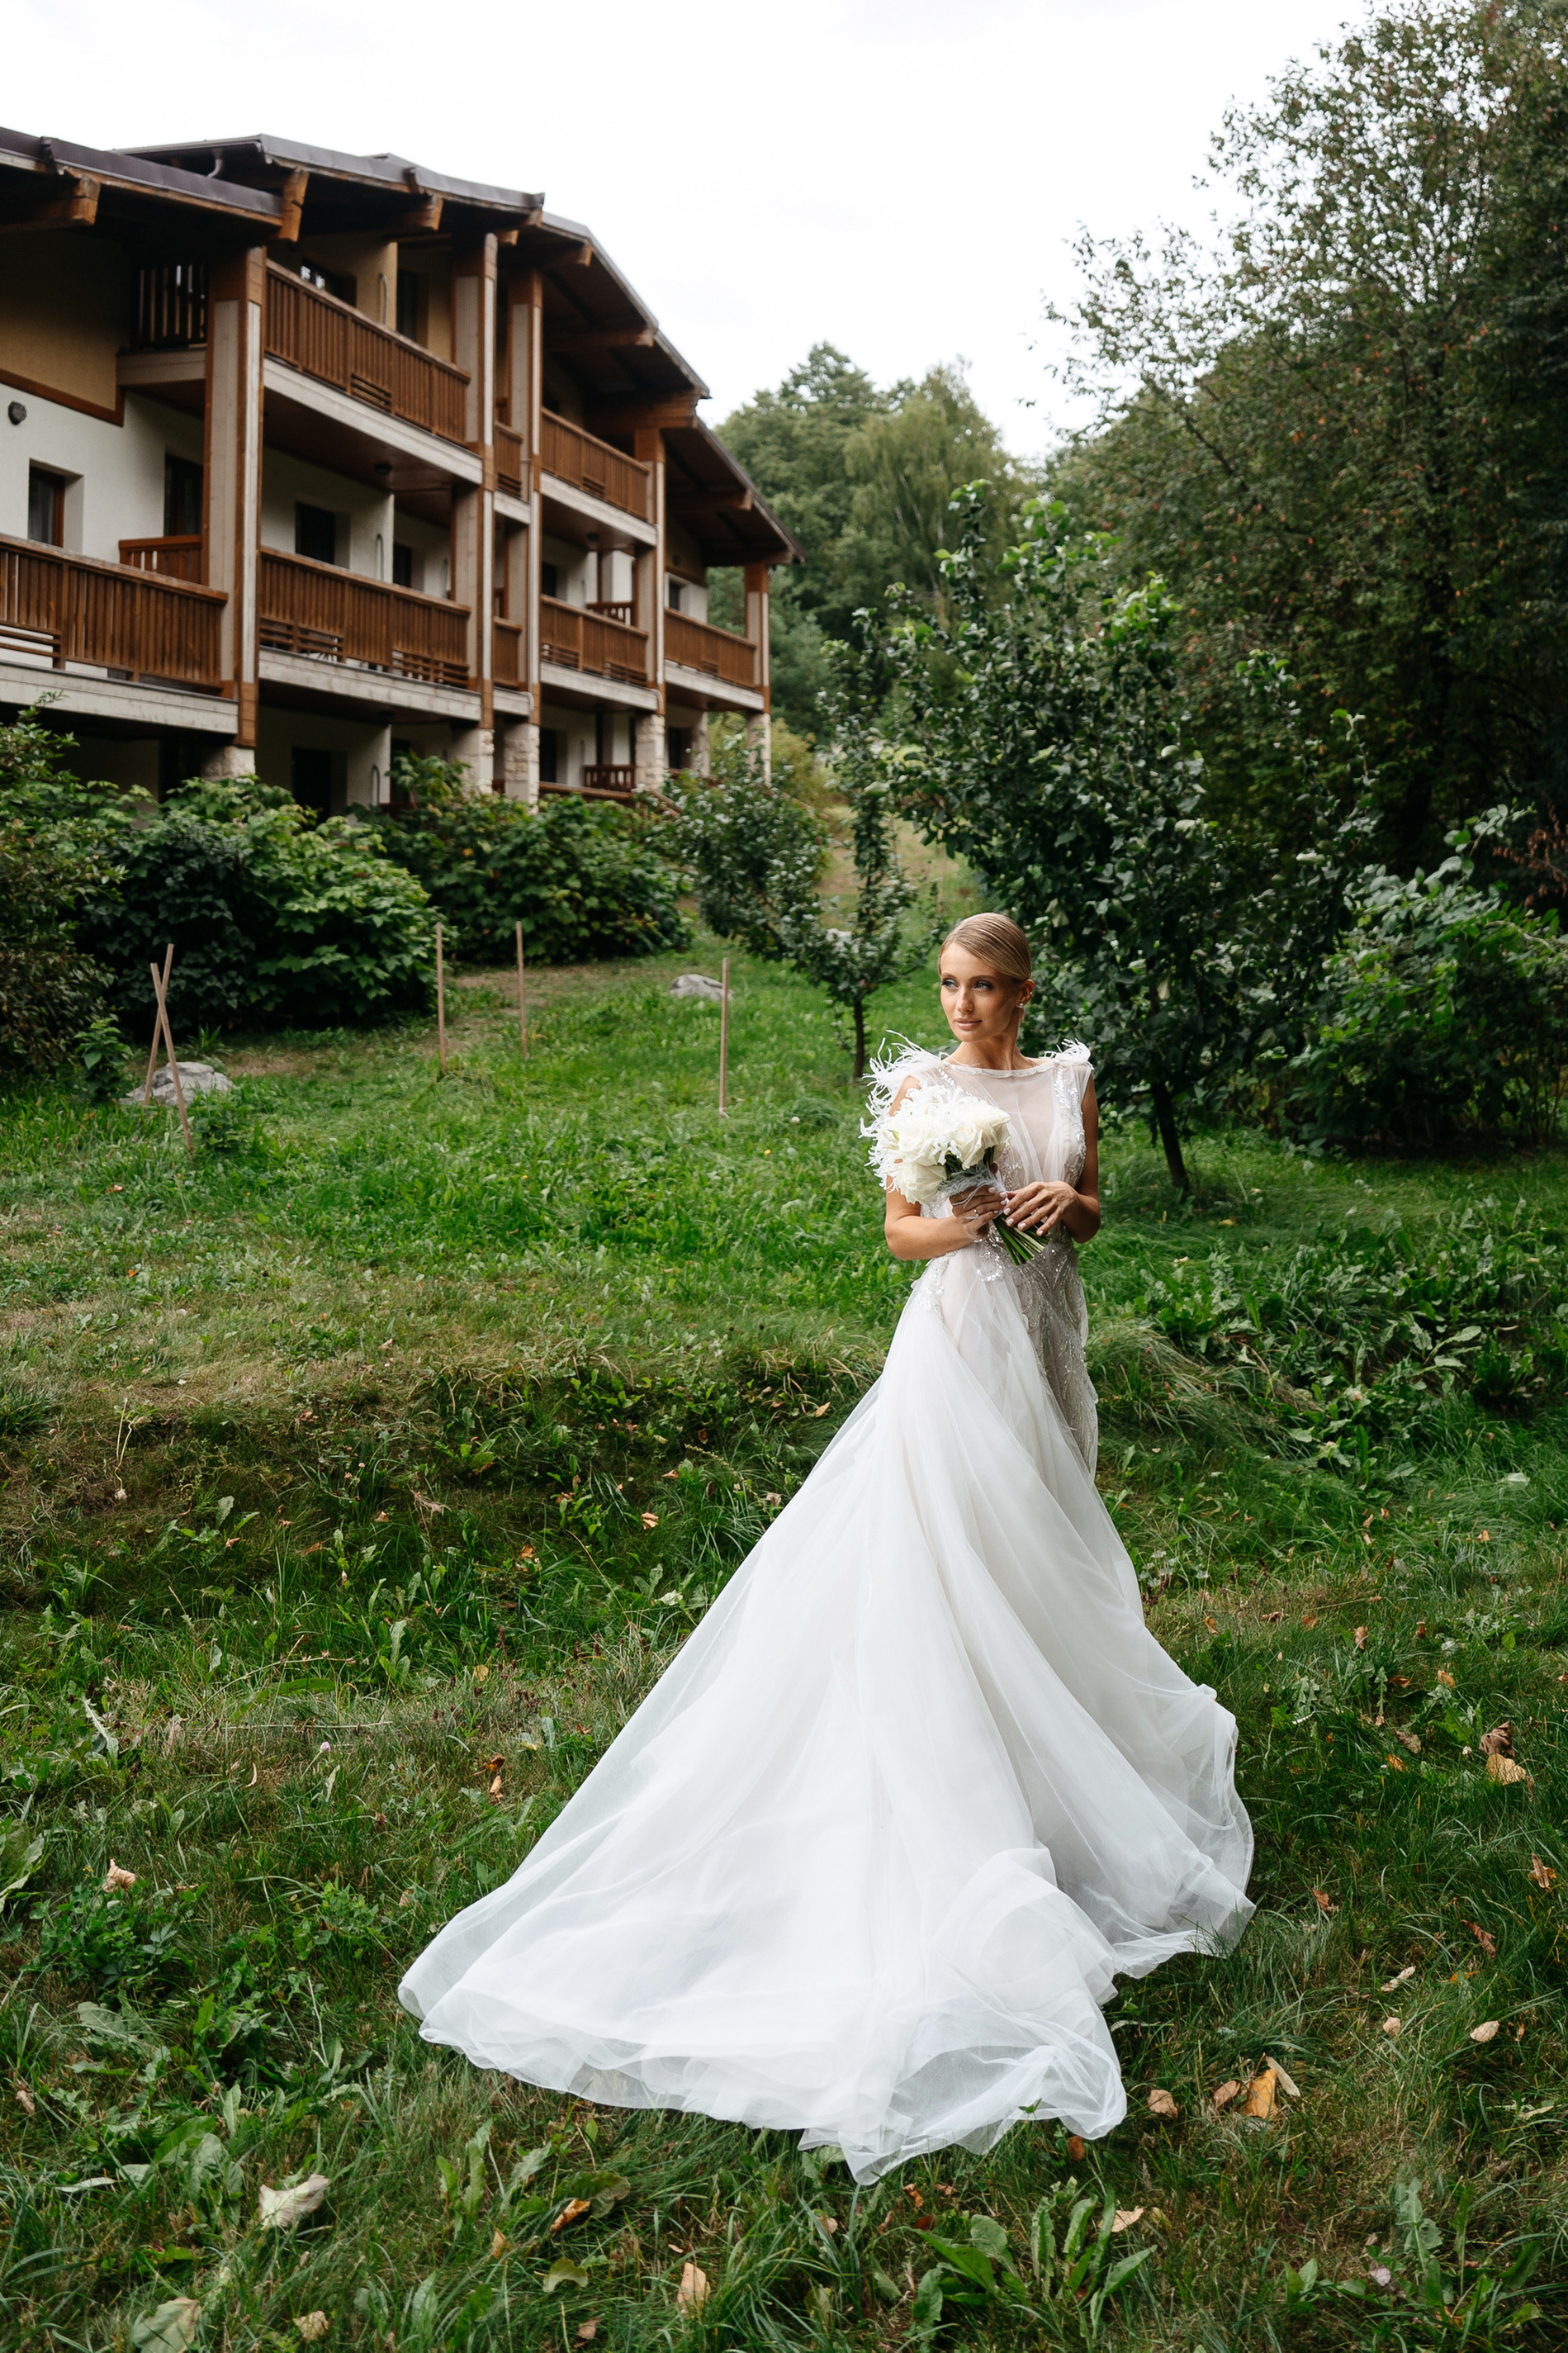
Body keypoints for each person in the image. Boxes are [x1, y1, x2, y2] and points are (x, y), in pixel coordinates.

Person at [398, 913, 1254, 2180]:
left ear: (1022, 991)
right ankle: (954, 1769)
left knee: (1047, 1549)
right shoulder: (920, 1089)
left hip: (1047, 1343)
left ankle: (1057, 1769)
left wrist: (1062, 1202)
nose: (963, 1007)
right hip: (957, 1349)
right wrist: (968, 1221)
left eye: (984, 989)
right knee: (952, 1553)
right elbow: (899, 1236)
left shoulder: (1069, 1079)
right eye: (951, 987)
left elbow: (1091, 1217)